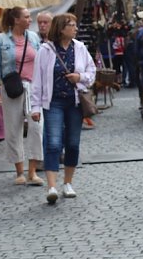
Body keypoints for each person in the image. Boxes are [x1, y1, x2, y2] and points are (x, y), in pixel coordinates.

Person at [31, 13, 96, 205]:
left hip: (75, 103)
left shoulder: (80, 48)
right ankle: (51, 186)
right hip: (53, 103)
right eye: (72, 25)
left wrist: (80, 77)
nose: (76, 28)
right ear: (61, 29)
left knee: (73, 144)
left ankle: (68, 183)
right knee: (53, 143)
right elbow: (37, 80)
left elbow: (92, 72)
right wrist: (35, 107)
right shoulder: (46, 50)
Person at [0, 7, 44, 186]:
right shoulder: (1, 39)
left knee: (37, 128)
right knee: (13, 129)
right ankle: (20, 171)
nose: (30, 20)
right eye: (27, 17)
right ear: (16, 20)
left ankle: (33, 171)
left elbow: (41, 62)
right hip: (12, 88)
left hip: (33, 88)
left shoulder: (34, 37)